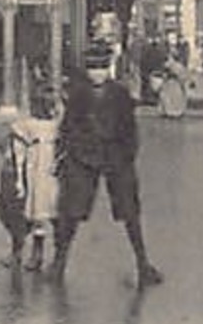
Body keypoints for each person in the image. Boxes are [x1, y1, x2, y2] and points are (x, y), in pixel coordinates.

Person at [50, 44, 163, 287]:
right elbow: (68, 128)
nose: (97, 73)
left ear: (108, 68)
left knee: (130, 211)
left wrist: (126, 155)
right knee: (71, 211)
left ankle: (143, 264)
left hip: (116, 156)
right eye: (92, 68)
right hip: (83, 157)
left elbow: (130, 129)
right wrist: (73, 153)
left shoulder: (121, 94)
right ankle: (58, 263)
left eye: (101, 68)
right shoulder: (77, 94)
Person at [1, 81, 60, 271]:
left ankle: (41, 253)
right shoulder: (26, 125)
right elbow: (17, 152)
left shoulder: (58, 126)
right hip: (34, 170)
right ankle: (20, 252)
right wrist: (18, 177)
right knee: (26, 211)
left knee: (45, 212)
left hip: (50, 172)